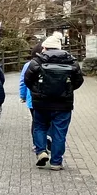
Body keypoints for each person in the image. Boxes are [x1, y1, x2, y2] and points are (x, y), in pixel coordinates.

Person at [23, 34, 84, 170]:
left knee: (39, 127)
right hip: (64, 104)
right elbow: (79, 81)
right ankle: (56, 162)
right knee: (59, 133)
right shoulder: (71, 61)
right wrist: (67, 90)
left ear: (44, 47)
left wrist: (37, 91)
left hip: (41, 103)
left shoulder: (37, 61)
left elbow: (27, 80)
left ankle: (41, 151)